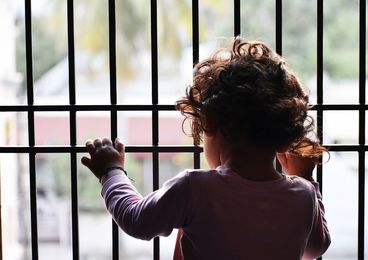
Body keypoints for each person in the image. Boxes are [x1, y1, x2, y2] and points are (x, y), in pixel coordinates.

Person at [81, 38, 331, 259]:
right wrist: (305, 177)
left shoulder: (196, 189)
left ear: (210, 122)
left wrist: (111, 171)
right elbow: (315, 248)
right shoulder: (303, 195)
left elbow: (137, 220)